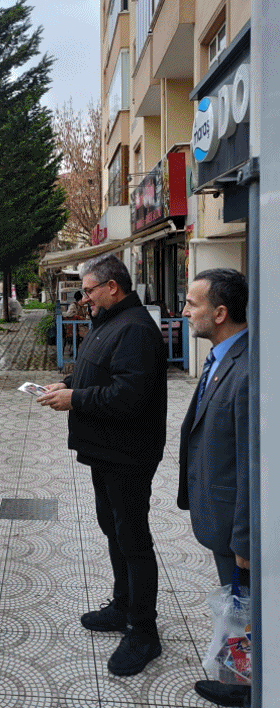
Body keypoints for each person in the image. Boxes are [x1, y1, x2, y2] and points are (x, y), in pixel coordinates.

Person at [38, 254, 167, 677]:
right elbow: (100, 372)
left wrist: (74, 398)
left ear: (112, 287)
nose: (84, 298)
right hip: (105, 452)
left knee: (133, 540)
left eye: (89, 290)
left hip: (128, 455)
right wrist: (67, 383)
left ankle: (143, 632)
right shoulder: (110, 321)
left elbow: (128, 396)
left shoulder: (135, 329)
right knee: (114, 531)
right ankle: (122, 605)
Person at [179, 269, 250, 708]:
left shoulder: (246, 369)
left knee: (244, 609)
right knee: (238, 606)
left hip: (235, 528)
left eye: (192, 303)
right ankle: (241, 680)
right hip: (222, 518)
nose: (185, 311)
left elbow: (251, 466)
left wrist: (244, 539)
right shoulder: (223, 356)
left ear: (220, 313)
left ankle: (242, 688)